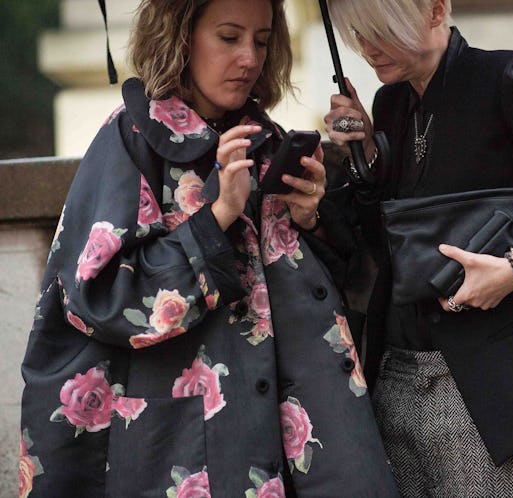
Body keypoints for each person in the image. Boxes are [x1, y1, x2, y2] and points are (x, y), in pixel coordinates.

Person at [18, 0, 399, 496]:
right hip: (190, 449)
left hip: (308, 446)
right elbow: (99, 298)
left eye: (261, 41)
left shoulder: (267, 141)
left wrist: (314, 220)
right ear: (180, 37)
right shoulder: (132, 139)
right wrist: (216, 216)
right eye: (228, 37)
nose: (249, 58)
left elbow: (320, 293)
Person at [323, 0, 513, 496]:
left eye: (382, 30)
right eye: (358, 33)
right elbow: (392, 249)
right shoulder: (391, 104)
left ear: (436, 9)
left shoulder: (502, 78)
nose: (368, 48)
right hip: (400, 373)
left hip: (494, 383)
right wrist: (366, 160)